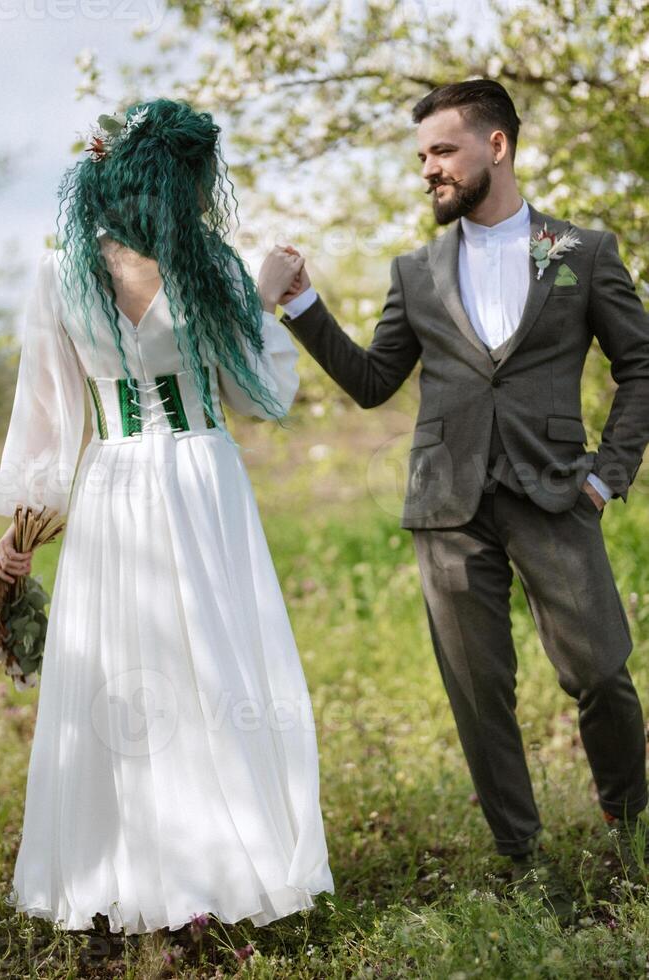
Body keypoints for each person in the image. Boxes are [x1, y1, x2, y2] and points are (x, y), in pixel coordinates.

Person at [262, 79, 649, 926]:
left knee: (602, 674)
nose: (429, 170)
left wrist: (606, 473)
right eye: (422, 157)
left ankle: (630, 824)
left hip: (556, 494)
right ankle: (522, 858)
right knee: (480, 693)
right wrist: (302, 306)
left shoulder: (582, 251)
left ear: (496, 147)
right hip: (446, 506)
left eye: (443, 151)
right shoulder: (416, 272)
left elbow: (641, 367)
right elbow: (372, 383)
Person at [0, 98, 334, 934]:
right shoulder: (165, 266)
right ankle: (175, 875)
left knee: (175, 672)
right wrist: (262, 294)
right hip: (168, 479)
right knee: (166, 669)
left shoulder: (125, 267)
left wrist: (20, 526)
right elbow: (256, 397)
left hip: (153, 484)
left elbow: (49, 416)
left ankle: (186, 871)